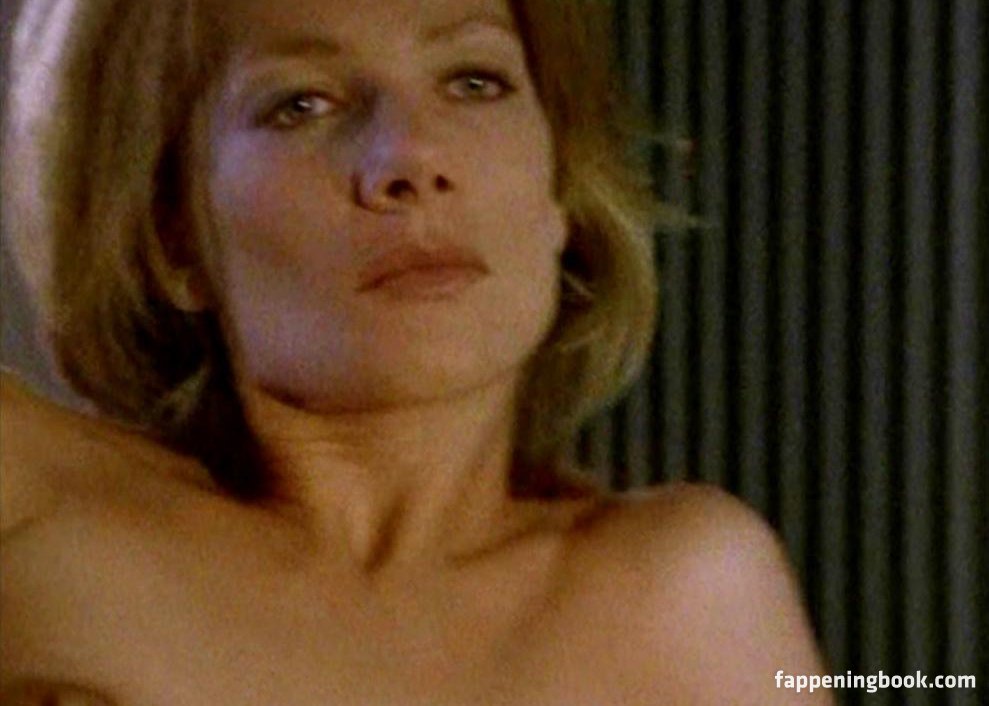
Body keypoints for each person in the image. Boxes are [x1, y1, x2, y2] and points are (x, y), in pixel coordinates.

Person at [0, 0, 833, 702]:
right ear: (171, 237)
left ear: (557, 192)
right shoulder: (35, 504)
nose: (412, 156)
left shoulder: (682, 596)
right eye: (302, 104)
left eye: (474, 82)